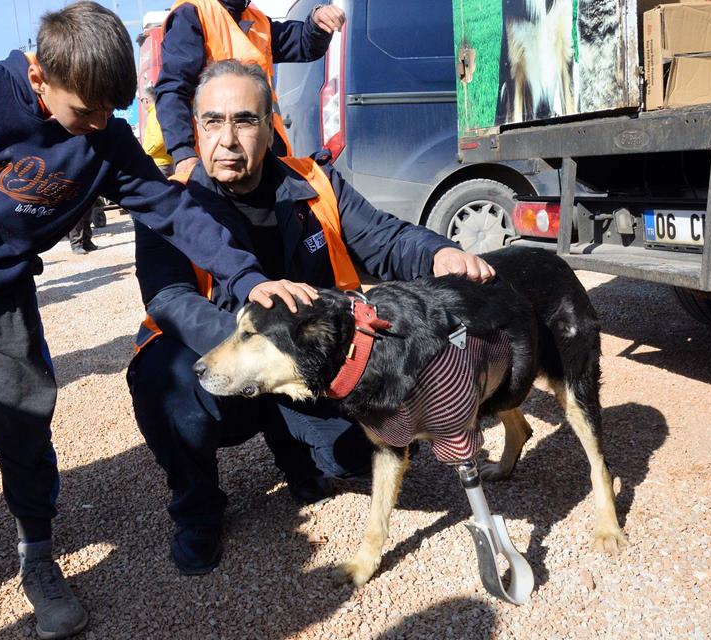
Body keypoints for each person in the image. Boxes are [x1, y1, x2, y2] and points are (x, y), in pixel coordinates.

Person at [0, 3, 316, 639]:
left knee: (25, 427)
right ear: (38, 77)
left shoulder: (104, 138)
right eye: (85, 110)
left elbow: (173, 212)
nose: (99, 124)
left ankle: (37, 558)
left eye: (110, 110)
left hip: (5, 294)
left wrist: (247, 279)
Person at [129, 60, 496, 575]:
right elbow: (169, 297)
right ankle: (197, 509)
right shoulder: (168, 200)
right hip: (229, 353)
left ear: (271, 125)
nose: (227, 140)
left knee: (361, 454)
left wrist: (438, 253)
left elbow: (384, 237)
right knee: (162, 380)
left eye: (245, 121)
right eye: (212, 122)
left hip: (310, 369)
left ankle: (294, 452)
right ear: (196, 128)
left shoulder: (315, 183)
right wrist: (251, 347)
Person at [156, 0, 346, 177]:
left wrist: (317, 24)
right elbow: (173, 89)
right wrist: (184, 154)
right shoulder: (192, 13)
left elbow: (303, 43)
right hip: (219, 159)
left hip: (265, 153)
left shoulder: (257, 20)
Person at [139, 87, 174, 177]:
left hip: (160, 164)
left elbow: (158, 140)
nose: (142, 103)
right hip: (165, 161)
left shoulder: (154, 114)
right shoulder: (160, 111)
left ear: (146, 100)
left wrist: (145, 152)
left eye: (141, 100)